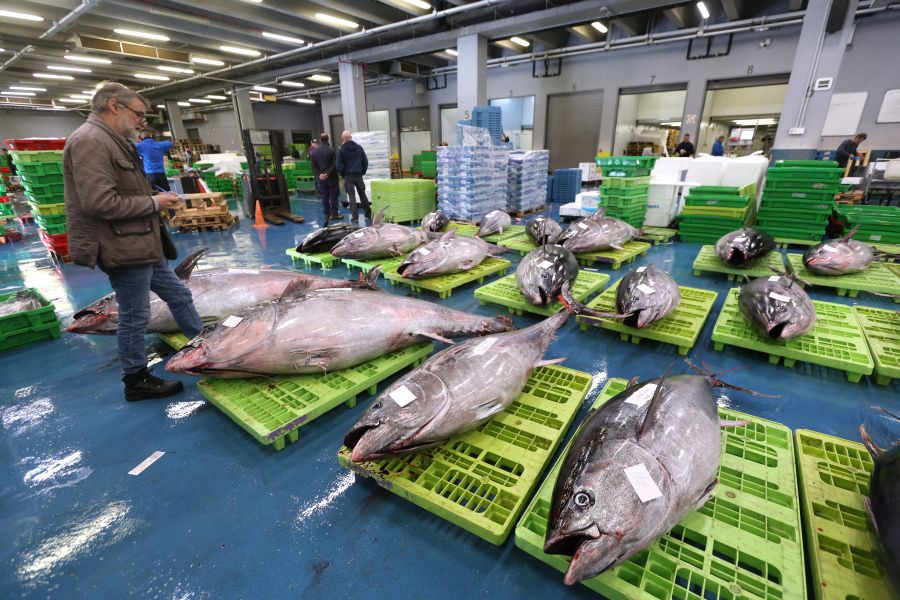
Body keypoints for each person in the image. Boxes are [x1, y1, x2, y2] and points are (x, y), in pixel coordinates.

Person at [63, 81, 204, 402]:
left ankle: (206, 346)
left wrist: (155, 195)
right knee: (135, 315)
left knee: (179, 294)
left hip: (142, 242)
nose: (143, 121)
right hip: (122, 246)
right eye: (139, 114)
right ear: (115, 106)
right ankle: (136, 379)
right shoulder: (90, 141)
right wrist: (155, 204)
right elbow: (99, 203)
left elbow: (125, 189)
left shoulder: (113, 140)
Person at [336, 130, 371, 223]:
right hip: (358, 175)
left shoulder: (341, 149)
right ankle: (368, 214)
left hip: (348, 176)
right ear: (351, 137)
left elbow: (338, 165)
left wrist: (344, 174)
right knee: (362, 195)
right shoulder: (359, 148)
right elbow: (365, 162)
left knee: (351, 197)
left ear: (343, 138)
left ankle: (355, 218)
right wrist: (362, 172)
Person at [310, 133, 341, 223]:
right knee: (333, 196)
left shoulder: (314, 152)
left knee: (324, 196)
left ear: (320, 140)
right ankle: (334, 214)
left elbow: (313, 166)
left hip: (321, 179)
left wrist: (320, 174)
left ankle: (326, 214)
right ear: (328, 139)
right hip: (331, 178)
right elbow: (334, 165)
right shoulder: (331, 151)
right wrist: (327, 173)